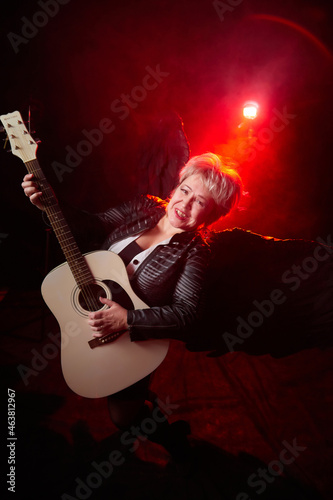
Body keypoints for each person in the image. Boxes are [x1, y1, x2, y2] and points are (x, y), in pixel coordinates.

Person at [22, 152, 242, 464]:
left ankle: (170, 436)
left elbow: (188, 313)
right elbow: (93, 224)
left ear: (213, 215)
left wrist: (127, 318)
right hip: (93, 323)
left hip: (135, 340)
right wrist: (51, 204)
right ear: (175, 187)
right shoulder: (143, 206)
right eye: (185, 191)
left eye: (200, 203)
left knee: (122, 417)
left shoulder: (197, 253)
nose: (185, 205)